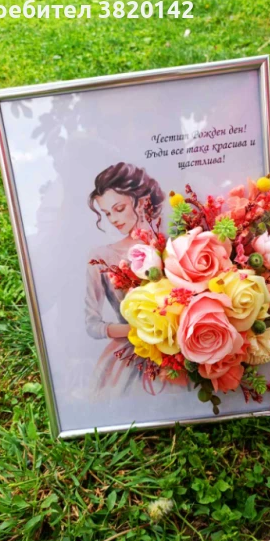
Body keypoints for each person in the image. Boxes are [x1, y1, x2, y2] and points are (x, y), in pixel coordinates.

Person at [85, 162, 165, 395]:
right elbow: (92, 325)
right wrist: (136, 331)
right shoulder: (102, 257)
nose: (113, 219)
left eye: (118, 209)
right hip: (129, 358)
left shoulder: (172, 245)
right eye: (107, 213)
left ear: (140, 202)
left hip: (175, 353)